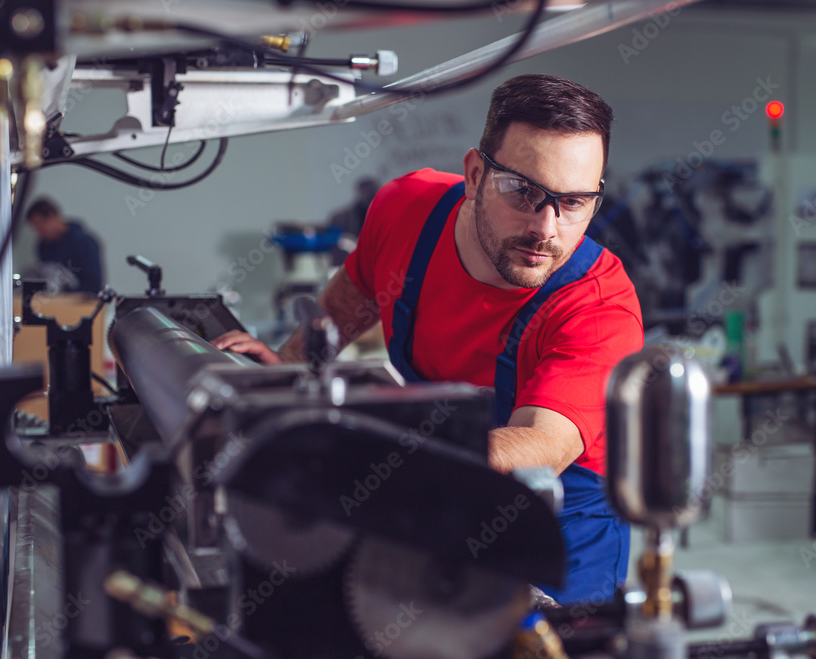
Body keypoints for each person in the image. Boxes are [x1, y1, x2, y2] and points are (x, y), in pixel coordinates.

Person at [212, 74, 644, 604]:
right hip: (433, 509)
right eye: (523, 191)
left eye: (573, 202)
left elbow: (538, 449)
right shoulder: (406, 211)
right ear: (475, 173)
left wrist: (364, 462)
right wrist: (285, 368)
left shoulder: (599, 306)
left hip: (557, 540)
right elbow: (353, 295)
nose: (546, 228)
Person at [26, 197, 104, 294]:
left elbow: (93, 284)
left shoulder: (84, 243)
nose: (39, 231)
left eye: (41, 224)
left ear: (53, 215)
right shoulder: (43, 245)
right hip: (53, 304)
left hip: (82, 305)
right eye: (35, 227)